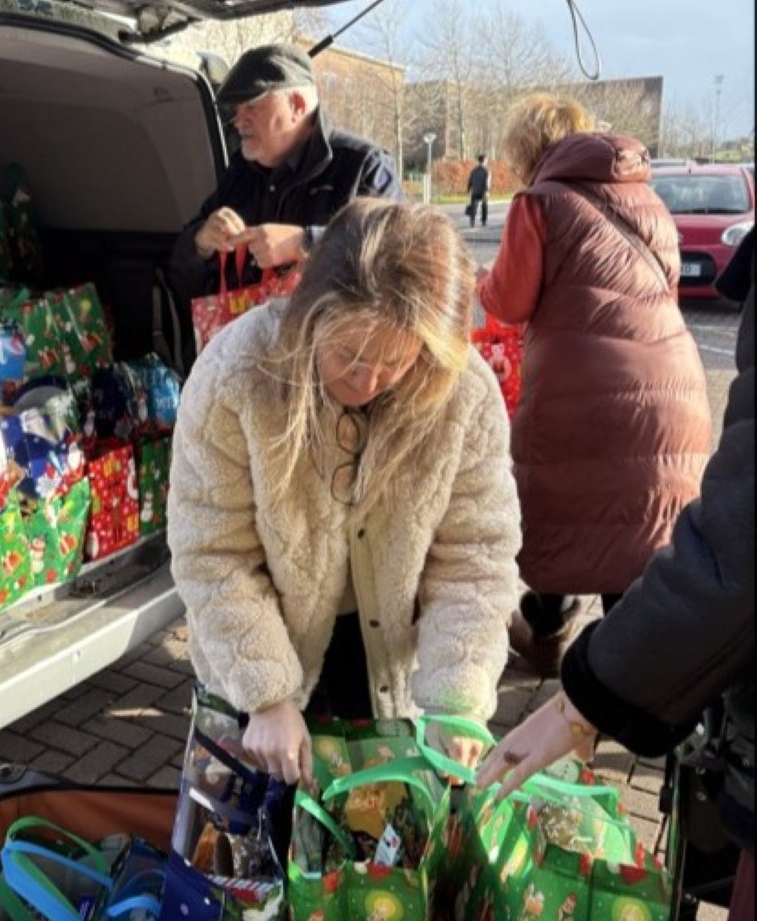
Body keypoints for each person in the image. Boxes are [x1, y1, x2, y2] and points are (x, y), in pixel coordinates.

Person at [477, 231, 754, 921]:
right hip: (672, 426)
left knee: (585, 573)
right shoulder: (644, 209)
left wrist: (585, 700)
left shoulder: (539, 206)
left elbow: (737, 557)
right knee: (631, 571)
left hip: (586, 428)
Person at [167, 198, 522, 788]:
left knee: (376, 849)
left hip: (387, 659)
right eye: (348, 355)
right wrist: (267, 693)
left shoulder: (464, 392)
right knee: (254, 845)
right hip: (260, 646)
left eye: (394, 363)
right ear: (309, 315)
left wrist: (457, 697)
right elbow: (213, 552)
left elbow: (475, 557)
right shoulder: (235, 372)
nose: (367, 381)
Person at [476, 92, 712, 677]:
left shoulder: (540, 202)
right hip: (672, 380)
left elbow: (509, 299)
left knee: (567, 515)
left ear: (529, 150)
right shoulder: (650, 199)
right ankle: (635, 673)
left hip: (587, 390)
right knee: (636, 531)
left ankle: (561, 643)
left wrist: (480, 281)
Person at [166, 44, 402, 367]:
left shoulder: (363, 166)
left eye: (252, 106)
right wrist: (201, 242)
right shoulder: (240, 173)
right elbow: (178, 272)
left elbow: (392, 265)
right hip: (242, 370)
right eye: (237, 109)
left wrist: (303, 243)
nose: (238, 120)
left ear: (297, 105)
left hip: (327, 377)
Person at [466, 153, 490, 227]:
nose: (487, 162)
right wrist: (487, 191)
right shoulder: (487, 171)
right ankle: (483, 221)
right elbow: (487, 182)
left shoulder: (474, 170)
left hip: (475, 191)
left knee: (473, 206)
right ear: (484, 161)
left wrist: (468, 189)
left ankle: (472, 221)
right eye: (486, 160)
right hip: (483, 191)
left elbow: (470, 180)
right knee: (484, 206)